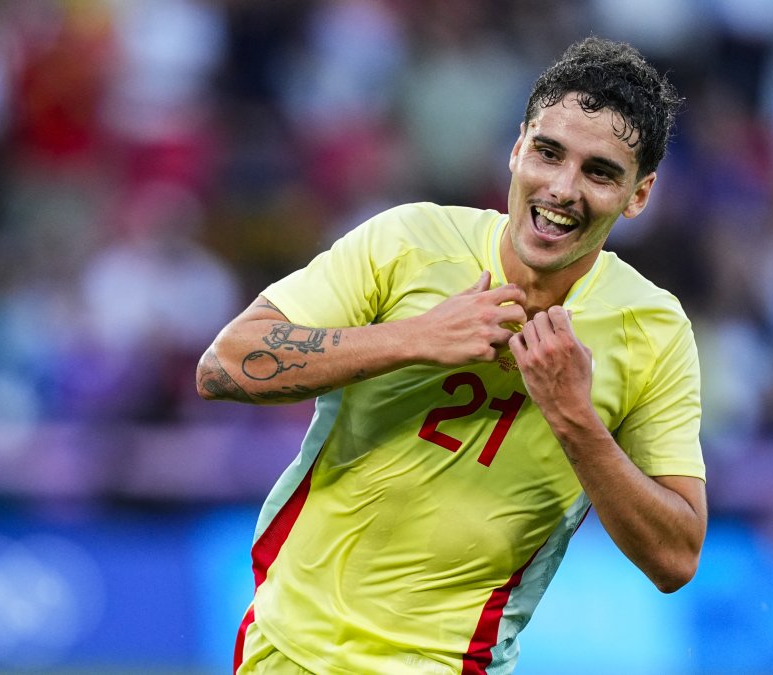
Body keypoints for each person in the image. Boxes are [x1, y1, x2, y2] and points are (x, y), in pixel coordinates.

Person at [197, 36, 706, 675]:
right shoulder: (410, 241)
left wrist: (574, 417)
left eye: (599, 171)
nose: (562, 189)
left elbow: (677, 557)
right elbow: (224, 365)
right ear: (517, 148)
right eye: (548, 153)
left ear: (639, 194)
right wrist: (415, 339)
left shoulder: (653, 330)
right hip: (291, 644)